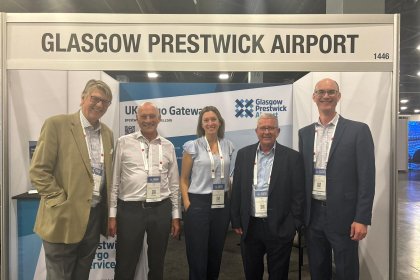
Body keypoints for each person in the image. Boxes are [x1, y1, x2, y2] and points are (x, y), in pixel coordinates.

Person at [29, 79, 114, 280]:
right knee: (59, 275)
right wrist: (60, 201)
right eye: (95, 98)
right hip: (63, 217)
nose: (99, 105)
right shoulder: (57, 125)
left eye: (105, 102)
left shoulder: (107, 134)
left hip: (92, 219)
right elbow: (39, 170)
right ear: (83, 98)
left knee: (82, 274)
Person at [298, 78, 375, 280]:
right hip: (313, 215)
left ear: (338, 96)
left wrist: (362, 218)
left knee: (346, 270)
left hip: (346, 216)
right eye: (321, 92)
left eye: (331, 92)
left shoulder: (358, 130)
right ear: (314, 97)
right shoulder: (305, 134)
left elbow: (367, 178)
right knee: (317, 269)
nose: (326, 96)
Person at [109, 101, 180, 280]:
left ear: (159, 118)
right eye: (144, 116)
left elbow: (174, 184)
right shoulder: (123, 142)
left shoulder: (168, 146)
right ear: (137, 119)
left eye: (152, 116)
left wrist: (176, 215)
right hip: (130, 210)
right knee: (125, 261)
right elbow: (114, 181)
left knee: (157, 262)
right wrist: (112, 215)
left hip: (161, 209)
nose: (148, 120)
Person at [231, 113, 305, 280]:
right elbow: (237, 189)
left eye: (271, 128)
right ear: (256, 131)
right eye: (263, 128)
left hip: (280, 226)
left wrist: (293, 224)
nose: (267, 132)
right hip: (251, 225)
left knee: (278, 275)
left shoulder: (292, 157)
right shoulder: (244, 154)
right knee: (252, 273)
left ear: (278, 131)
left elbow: (299, 194)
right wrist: (236, 219)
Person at [180, 106, 235, 280]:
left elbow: (227, 177)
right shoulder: (192, 146)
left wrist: (229, 201)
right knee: (197, 254)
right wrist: (188, 203)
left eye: (214, 119)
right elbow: (183, 179)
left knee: (216, 252)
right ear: (201, 124)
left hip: (221, 204)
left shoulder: (228, 145)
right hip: (198, 204)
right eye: (206, 120)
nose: (210, 123)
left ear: (219, 122)